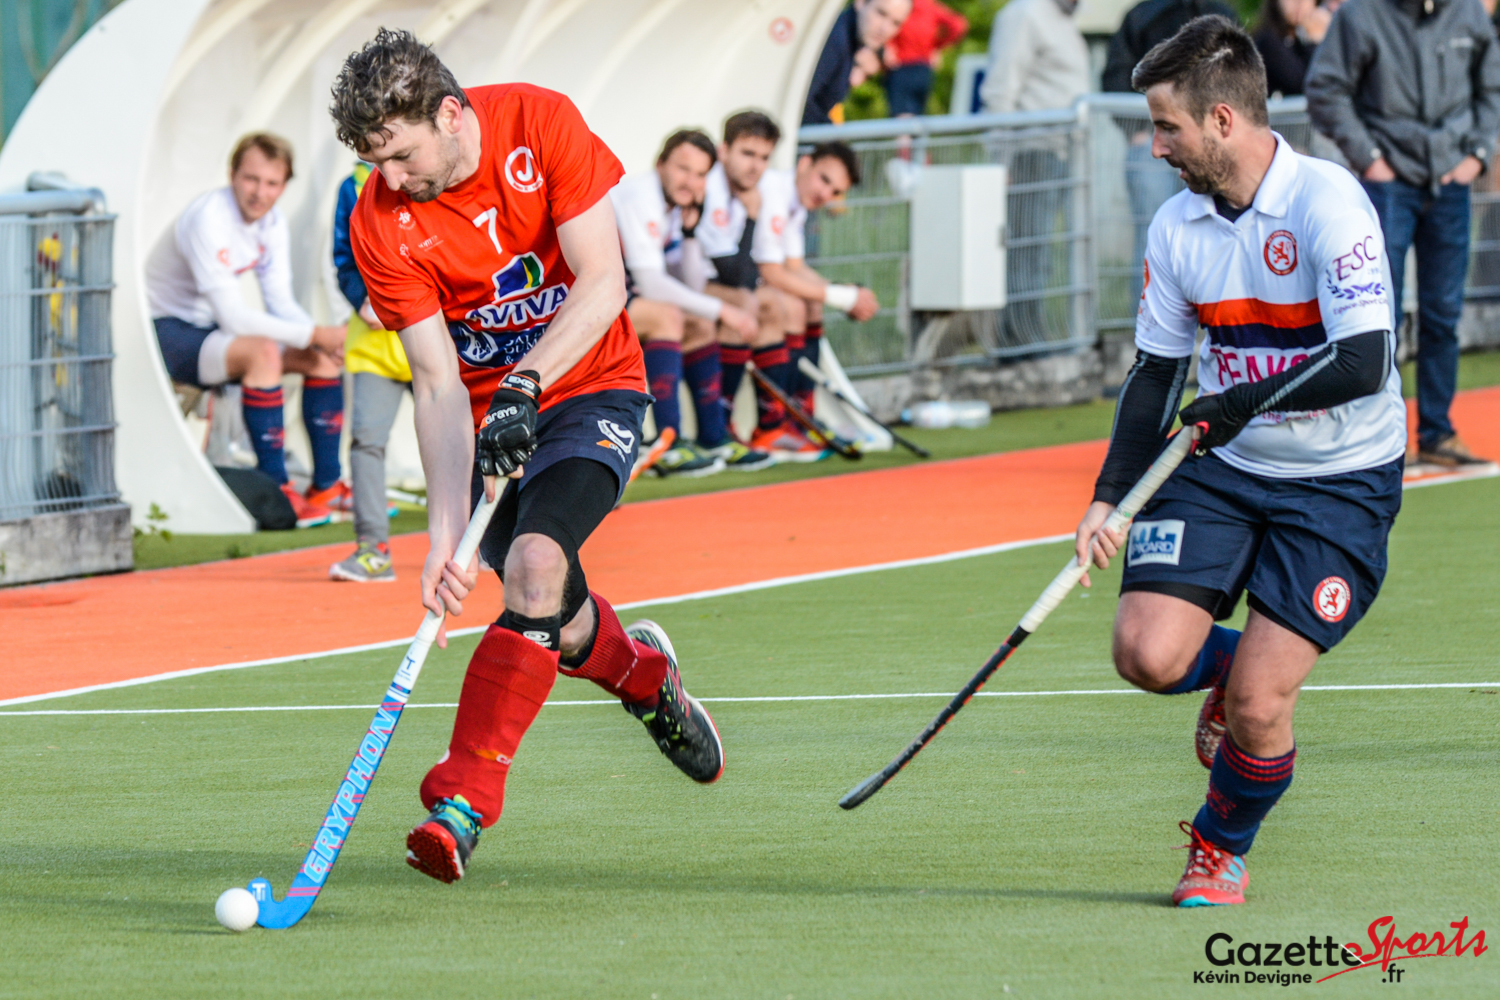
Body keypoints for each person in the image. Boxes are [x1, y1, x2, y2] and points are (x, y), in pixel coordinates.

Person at [334, 28, 724, 884]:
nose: (389, 180)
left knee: (538, 563)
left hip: (592, 386)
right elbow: (436, 383)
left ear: (449, 113)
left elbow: (604, 282)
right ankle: (645, 678)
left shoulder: (541, 124)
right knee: (550, 608)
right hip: (490, 425)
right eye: (374, 162)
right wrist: (443, 539)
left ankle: (461, 803)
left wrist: (527, 381)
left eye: (399, 156)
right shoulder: (378, 221)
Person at [1076, 16, 1405, 906]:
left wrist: (1236, 402)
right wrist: (1109, 498)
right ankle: (1229, 666)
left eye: (1166, 127)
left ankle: (1220, 847)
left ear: (1222, 120)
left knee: (1261, 708)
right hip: (1222, 466)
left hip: (1341, 479)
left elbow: (1365, 360)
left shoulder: (1328, 203)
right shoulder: (1176, 227)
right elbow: (1154, 374)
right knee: (1146, 655)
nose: (1155, 148)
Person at [1306, 0, 1500, 467]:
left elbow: (1492, 88)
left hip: (1450, 182)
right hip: (1386, 184)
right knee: (1375, 314)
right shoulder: (1360, 14)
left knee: (1443, 314)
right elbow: (1325, 89)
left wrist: (1477, 155)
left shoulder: (1468, 13)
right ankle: (1379, 437)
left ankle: (1438, 432)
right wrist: (1370, 158)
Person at [146, 133, 347, 527]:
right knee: (264, 353)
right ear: (232, 175)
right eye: (251, 179)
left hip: (209, 330)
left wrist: (319, 339)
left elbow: (281, 303)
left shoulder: (272, 222)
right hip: (164, 331)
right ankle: (277, 491)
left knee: (321, 359)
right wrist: (315, 334)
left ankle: (327, 487)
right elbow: (234, 319)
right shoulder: (208, 218)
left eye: (272, 183)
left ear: (284, 185)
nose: (260, 193)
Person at [609, 130, 773, 474]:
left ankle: (713, 437)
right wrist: (724, 310)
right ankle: (668, 442)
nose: (690, 182)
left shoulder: (675, 206)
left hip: (614, 296)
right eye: (683, 169)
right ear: (661, 164)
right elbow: (652, 284)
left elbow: (690, 284)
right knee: (668, 316)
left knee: (699, 322)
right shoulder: (641, 196)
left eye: (700, 174)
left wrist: (688, 234)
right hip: (570, 301)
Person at [695, 111, 826, 461]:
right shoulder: (711, 188)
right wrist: (752, 216)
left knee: (776, 304)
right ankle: (719, 431)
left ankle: (772, 426)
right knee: (745, 302)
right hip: (682, 284)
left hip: (716, 283)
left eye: (764, 157)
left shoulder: (753, 190)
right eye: (747, 154)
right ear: (724, 151)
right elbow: (735, 275)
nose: (755, 166)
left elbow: (758, 267)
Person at [1103, 0, 1239, 306]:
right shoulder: (1141, 16)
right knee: (1153, 239)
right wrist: (1137, 130)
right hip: (1153, 151)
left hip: (1210, 149)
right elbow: (1115, 76)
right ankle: (1147, 322)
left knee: (1214, 236)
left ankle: (1212, 322)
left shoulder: (1220, 13)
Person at [982, 0, 1089, 342]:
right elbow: (1001, 88)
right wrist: (1001, 161)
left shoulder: (1064, 20)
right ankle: (1020, 341)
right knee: (1025, 251)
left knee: (1039, 253)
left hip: (1061, 154)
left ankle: (1027, 336)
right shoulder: (1025, 14)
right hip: (1030, 152)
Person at [751, 142, 880, 415]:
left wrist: (847, 293)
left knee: (811, 303)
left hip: (745, 282)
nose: (825, 194)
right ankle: (777, 420)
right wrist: (843, 298)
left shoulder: (795, 202)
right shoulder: (775, 191)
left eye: (836, 192)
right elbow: (771, 273)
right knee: (794, 306)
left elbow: (794, 267)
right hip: (718, 282)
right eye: (824, 179)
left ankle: (801, 409)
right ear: (804, 164)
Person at [329, 162, 411, 582]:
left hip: (439, 337)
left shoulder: (436, 169)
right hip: (376, 343)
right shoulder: (354, 185)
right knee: (366, 441)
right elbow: (344, 259)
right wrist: (364, 300)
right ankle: (373, 549)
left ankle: (488, 541)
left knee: (467, 436)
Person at [803, 0, 913, 125]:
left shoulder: (847, 40)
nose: (884, 29)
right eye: (881, 13)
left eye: (896, 23)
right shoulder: (833, 40)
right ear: (860, 2)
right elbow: (799, 106)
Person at [883, 0, 969, 117]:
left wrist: (888, 45)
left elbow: (884, 24)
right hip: (923, 70)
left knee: (901, 115)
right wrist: (937, 47)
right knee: (917, 114)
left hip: (901, 67)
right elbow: (958, 25)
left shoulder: (901, 5)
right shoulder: (930, 6)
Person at [1251, 0, 1328, 97]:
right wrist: (1314, 42)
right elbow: (1305, 84)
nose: (1299, 3)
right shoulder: (1268, 40)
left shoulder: (1298, 37)